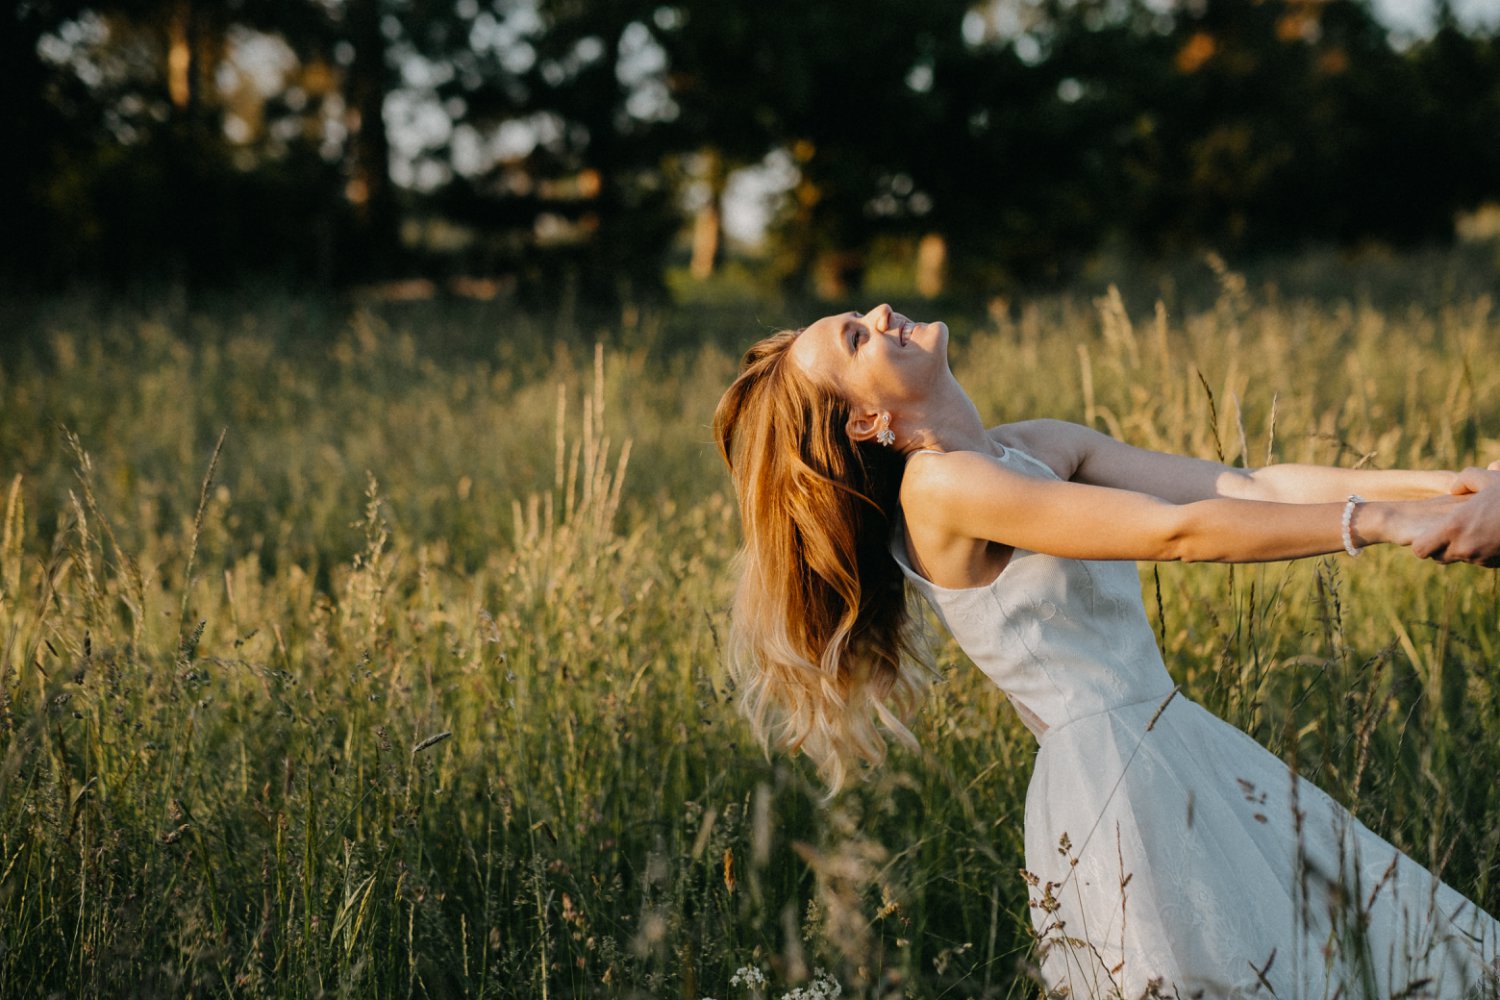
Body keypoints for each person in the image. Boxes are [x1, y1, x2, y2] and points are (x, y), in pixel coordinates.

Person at [713, 304, 1500, 999]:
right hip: (1116, 783)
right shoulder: (940, 490)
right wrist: (1381, 524)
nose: (881, 313)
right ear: (861, 423)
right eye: (855, 338)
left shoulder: (1031, 447)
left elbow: (1247, 487)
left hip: (1174, 740)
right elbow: (1175, 532)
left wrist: (1454, 488)